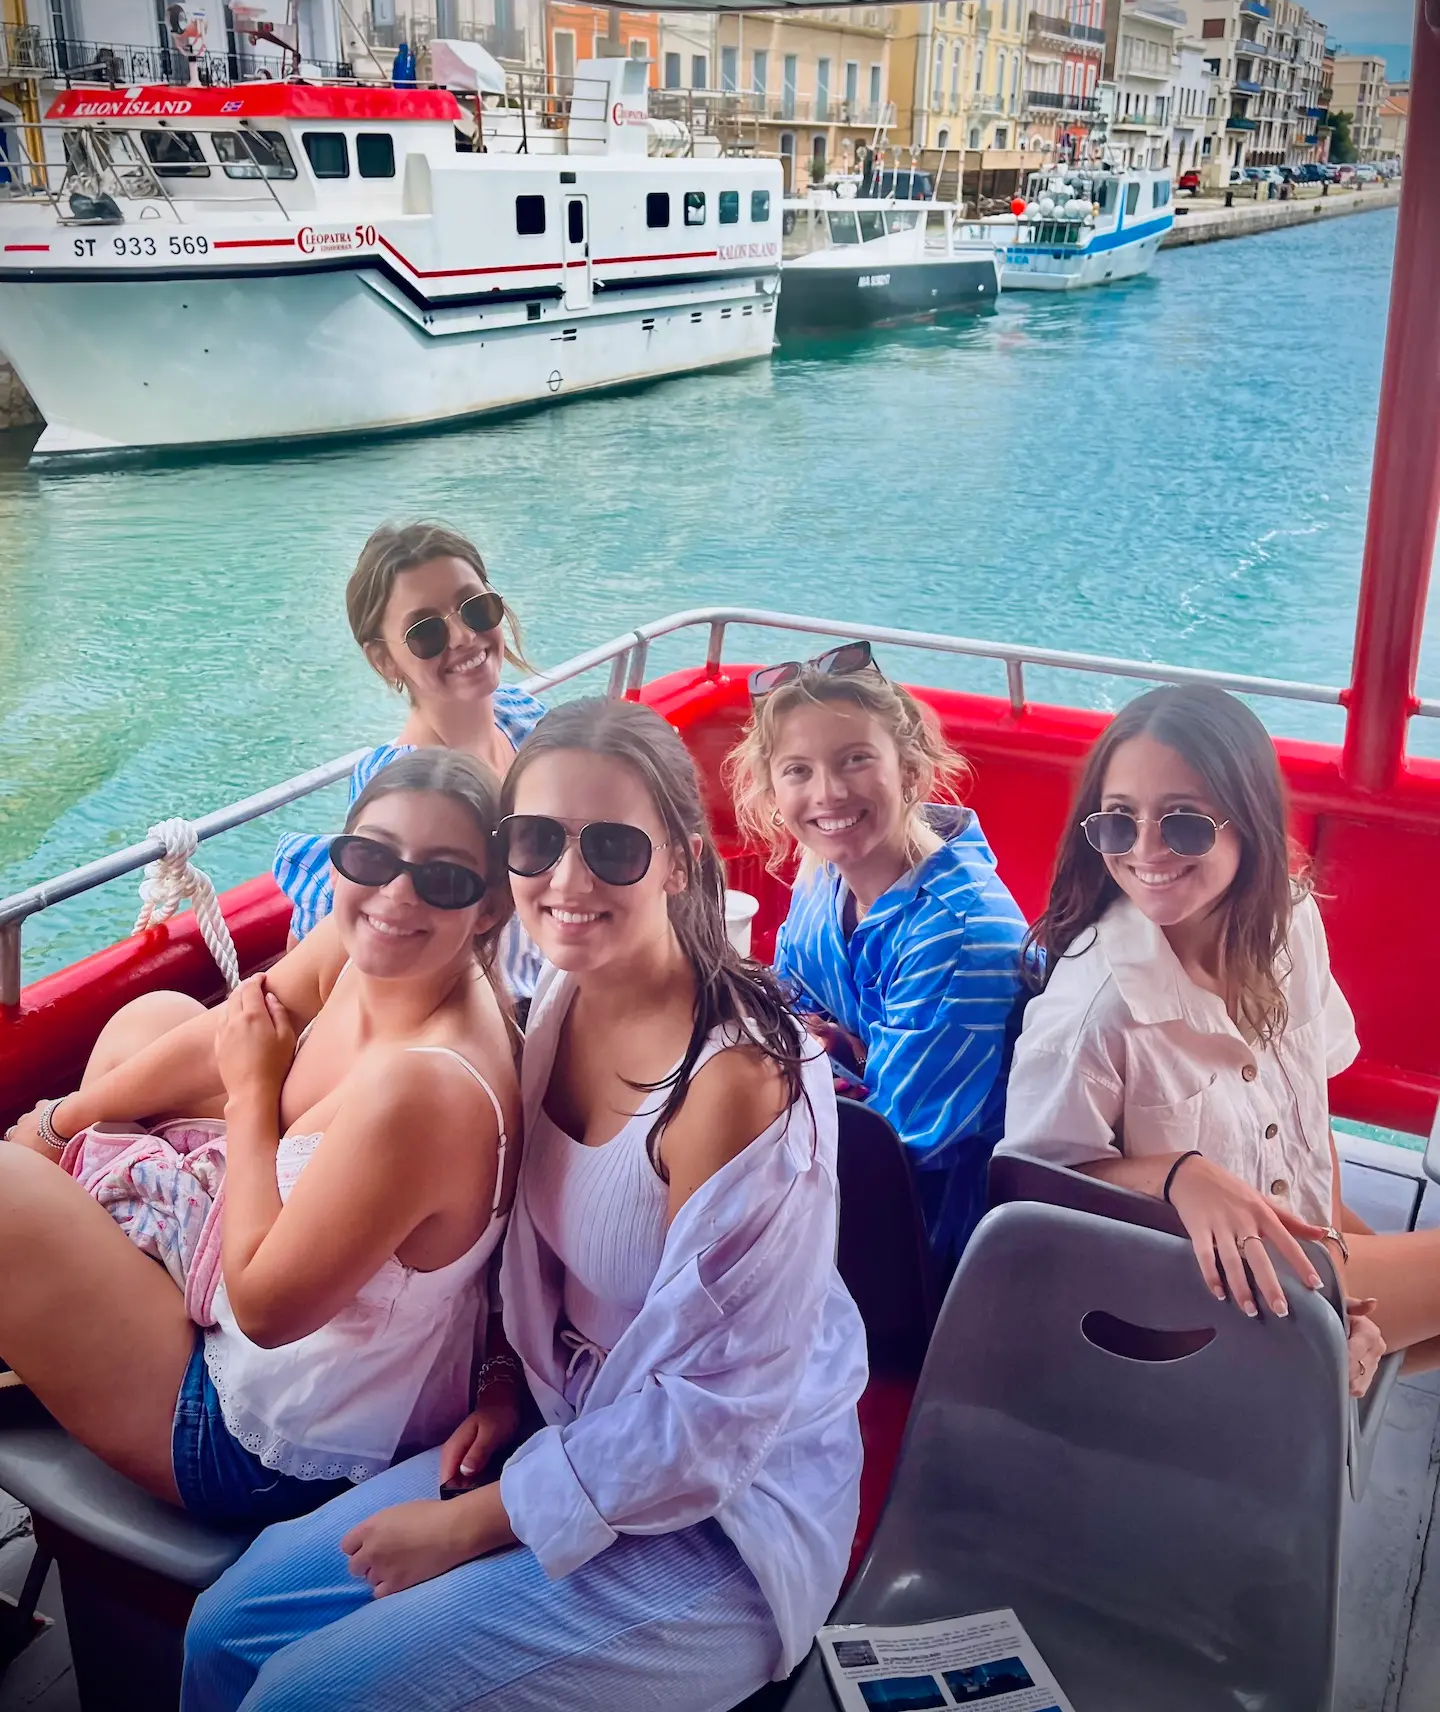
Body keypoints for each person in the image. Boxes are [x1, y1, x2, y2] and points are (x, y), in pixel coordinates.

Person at [182, 698, 867, 1712]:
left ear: (679, 859)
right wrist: (504, 1379)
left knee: (300, 1698)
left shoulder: (740, 1082)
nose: (568, 879)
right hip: (565, 1433)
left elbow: (714, 1422)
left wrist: (477, 1522)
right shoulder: (558, 1006)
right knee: (226, 1634)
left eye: (614, 848)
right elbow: (533, 1263)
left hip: (723, 1523)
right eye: (535, 841)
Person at [0, 749, 519, 1521]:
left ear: (490, 909)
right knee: (154, 1021)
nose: (396, 893)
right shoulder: (367, 944)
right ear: (340, 859)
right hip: (263, 1289)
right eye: (370, 857)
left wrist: (250, 1095)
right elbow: (234, 1025)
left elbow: (269, 1314)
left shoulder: (428, 1087)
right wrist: (57, 1120)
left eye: (443, 877)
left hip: (268, 1440)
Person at [998, 682, 1408, 1393]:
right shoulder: (1097, 1010)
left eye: (1184, 823)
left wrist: (1338, 1268)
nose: (1147, 851)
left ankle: (1321, 1402)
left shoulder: (1291, 926)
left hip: (1283, 1259)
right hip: (1193, 1305)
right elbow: (1031, 1193)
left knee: (1395, 1336)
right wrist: (1177, 1174)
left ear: (1248, 822)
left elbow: (1307, 1123)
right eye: (1119, 822)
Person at [726, 641, 1027, 1270]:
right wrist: (838, 1050)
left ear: (910, 770)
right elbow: (791, 1001)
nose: (828, 794)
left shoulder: (958, 933)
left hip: (922, 1246)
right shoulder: (824, 875)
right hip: (829, 1167)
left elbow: (898, 1149)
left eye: (856, 759)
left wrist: (820, 1053)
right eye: (798, 770)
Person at [275, 519, 546, 1000]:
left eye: (474, 607)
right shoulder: (399, 787)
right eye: (426, 632)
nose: (463, 636)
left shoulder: (524, 718)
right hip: (502, 1018)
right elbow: (331, 954)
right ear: (384, 660)